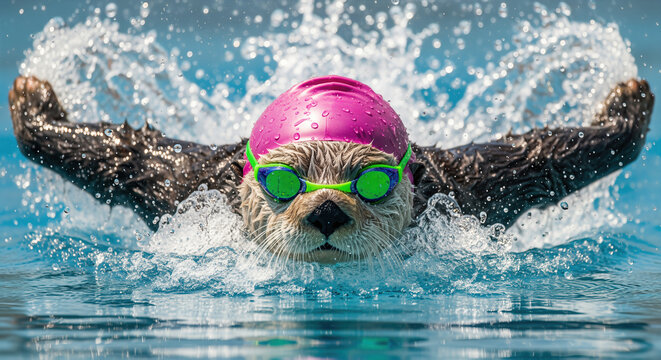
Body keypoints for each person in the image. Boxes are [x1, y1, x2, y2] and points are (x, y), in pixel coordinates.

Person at [9, 75, 654, 262]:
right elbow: (50, 141)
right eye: (285, 187)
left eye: (371, 185)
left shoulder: (456, 195)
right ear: (247, 182)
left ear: (409, 184)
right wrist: (37, 123)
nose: (323, 209)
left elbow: (608, 146)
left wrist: (622, 129)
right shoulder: (193, 191)